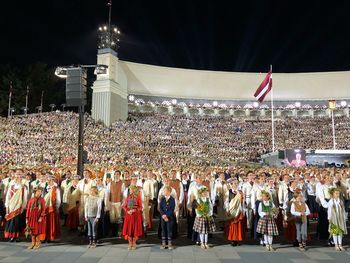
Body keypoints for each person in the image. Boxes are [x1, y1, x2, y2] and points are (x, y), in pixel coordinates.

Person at [4, 170, 28, 242]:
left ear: (22, 175)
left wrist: (23, 207)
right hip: (11, 206)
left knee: (18, 222)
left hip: (19, 206)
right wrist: (7, 205)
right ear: (14, 175)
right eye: (17, 174)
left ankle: (17, 236)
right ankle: (12, 236)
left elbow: (25, 197)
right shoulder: (11, 185)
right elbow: (8, 196)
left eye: (19, 174)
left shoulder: (23, 186)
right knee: (11, 221)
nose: (18, 176)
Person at [225, 179, 246, 246]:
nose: (236, 185)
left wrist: (243, 209)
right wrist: (227, 209)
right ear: (231, 184)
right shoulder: (228, 192)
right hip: (231, 210)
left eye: (237, 183)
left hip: (238, 210)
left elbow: (243, 201)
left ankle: (237, 238)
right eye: (234, 183)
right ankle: (232, 239)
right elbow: (226, 201)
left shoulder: (240, 192)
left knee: (238, 226)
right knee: (232, 225)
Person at [122, 185, 143, 250]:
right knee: (129, 229)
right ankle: (130, 243)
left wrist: (135, 210)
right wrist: (128, 211)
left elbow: (140, 207)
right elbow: (124, 206)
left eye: (130, 189)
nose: (129, 191)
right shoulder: (128, 197)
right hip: (129, 215)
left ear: (133, 190)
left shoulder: (138, 198)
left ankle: (134, 243)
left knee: (135, 229)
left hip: (136, 216)